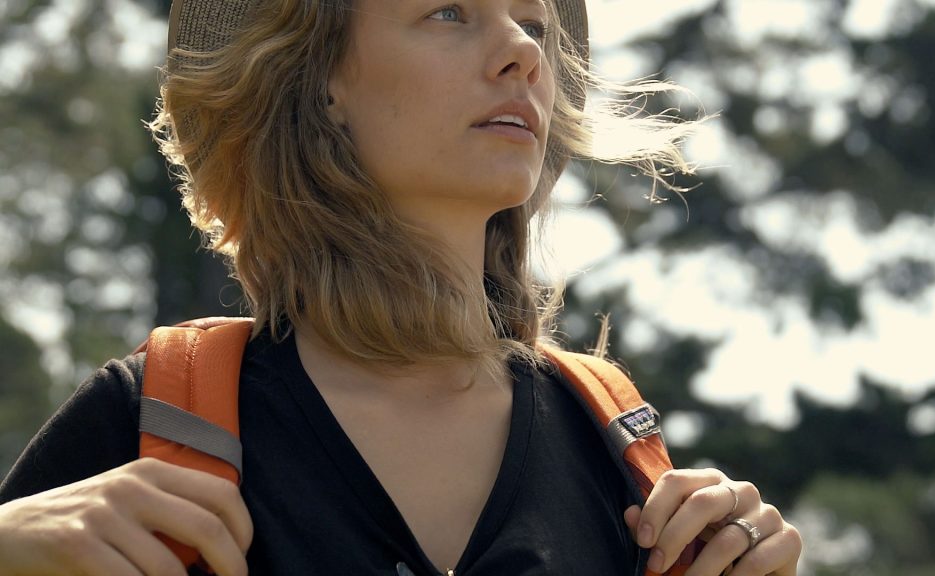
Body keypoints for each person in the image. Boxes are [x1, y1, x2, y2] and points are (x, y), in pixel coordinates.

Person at [0, 0, 802, 574]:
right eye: (450, 12)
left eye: (534, 24)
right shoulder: (154, 419)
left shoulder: (621, 456)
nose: (523, 52)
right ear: (319, 77)